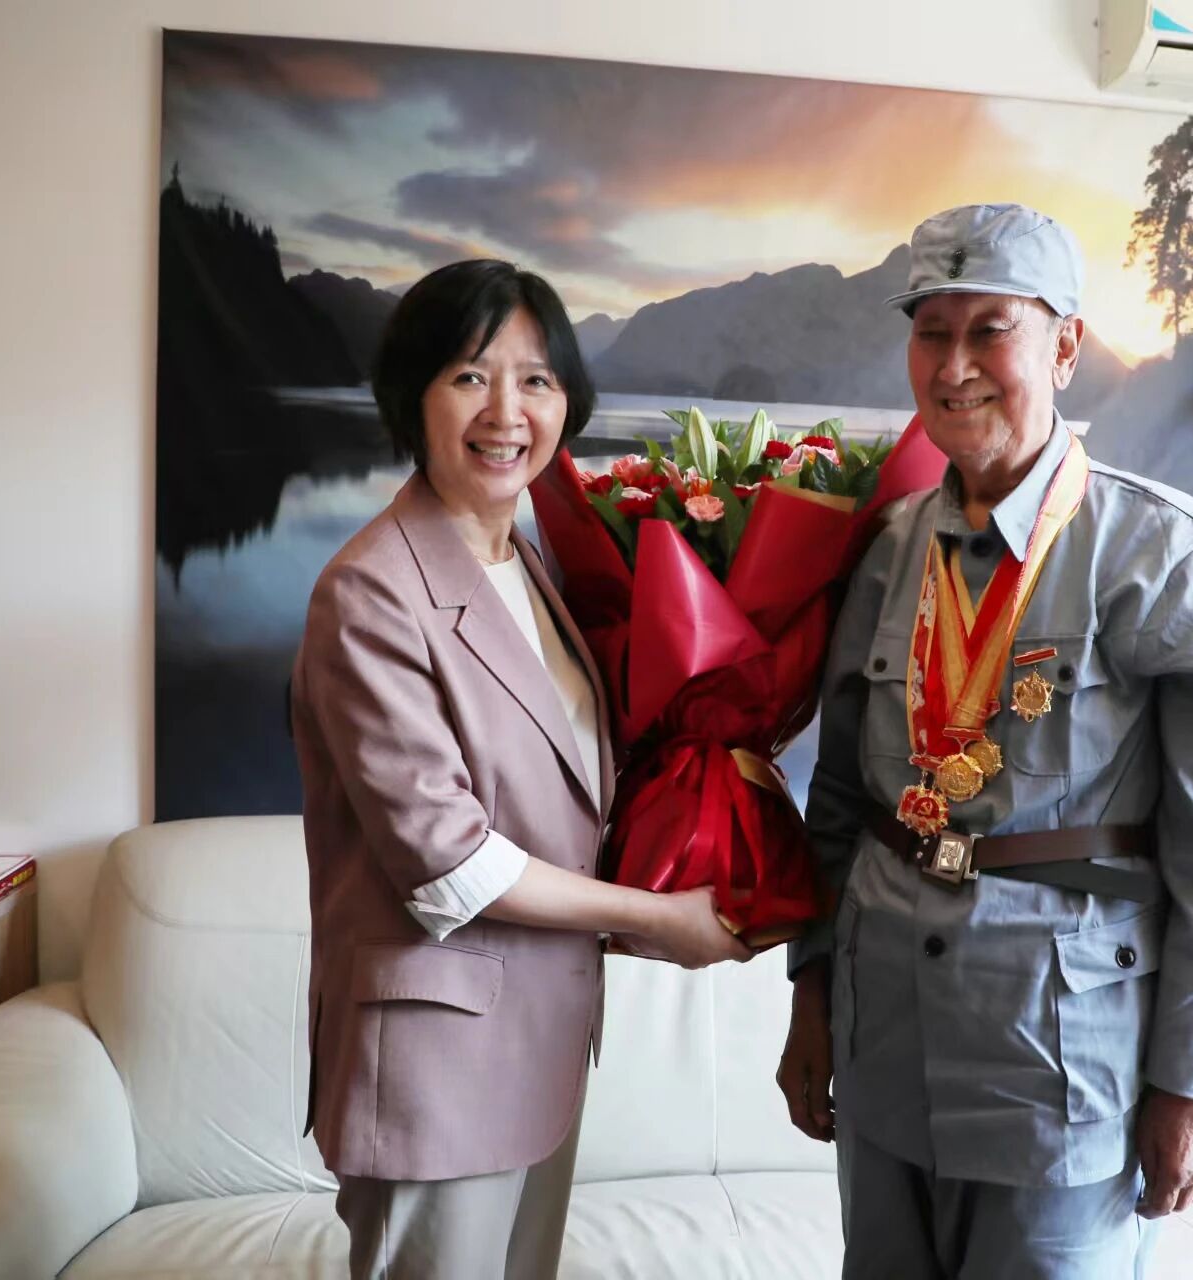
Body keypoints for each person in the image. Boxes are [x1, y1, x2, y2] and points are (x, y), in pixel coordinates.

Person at [775, 205, 1193, 1278]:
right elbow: (840, 801)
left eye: (989, 331)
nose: (954, 366)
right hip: (884, 1044)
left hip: (1059, 1067)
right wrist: (810, 991)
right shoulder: (886, 552)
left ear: (1063, 346)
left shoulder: (1155, 553)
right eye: (931, 332)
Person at [291, 258, 750, 1280]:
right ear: (411, 396)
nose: (507, 411)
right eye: (470, 375)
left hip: (537, 1047)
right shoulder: (369, 591)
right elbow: (448, 863)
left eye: (536, 379)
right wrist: (656, 916)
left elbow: (565, 790)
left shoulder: (526, 562)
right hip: (435, 1069)